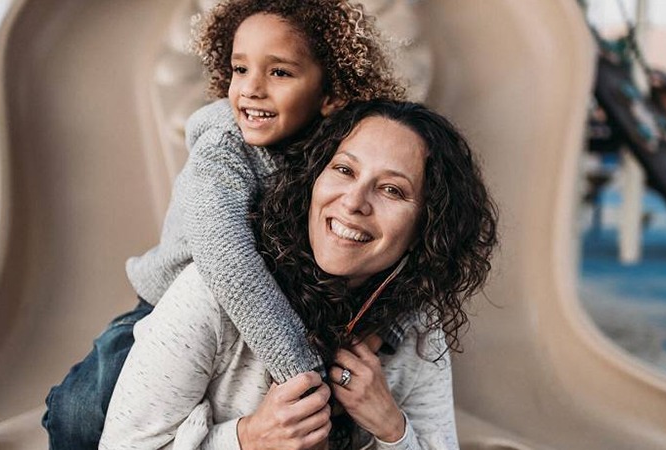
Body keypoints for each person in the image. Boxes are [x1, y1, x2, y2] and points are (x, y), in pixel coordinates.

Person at [42, 1, 406, 448]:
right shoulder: (221, 151)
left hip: (278, 310)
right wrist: (305, 375)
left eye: (280, 73)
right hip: (169, 306)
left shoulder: (341, 154)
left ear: (330, 94)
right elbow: (230, 265)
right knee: (78, 409)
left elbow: (401, 240)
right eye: (239, 69)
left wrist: (387, 329)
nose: (251, 88)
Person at [99, 99, 499, 450]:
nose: (354, 202)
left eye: (392, 190)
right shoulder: (211, 294)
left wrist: (392, 429)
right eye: (344, 170)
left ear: (425, 229)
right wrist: (247, 439)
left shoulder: (418, 329)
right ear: (314, 180)